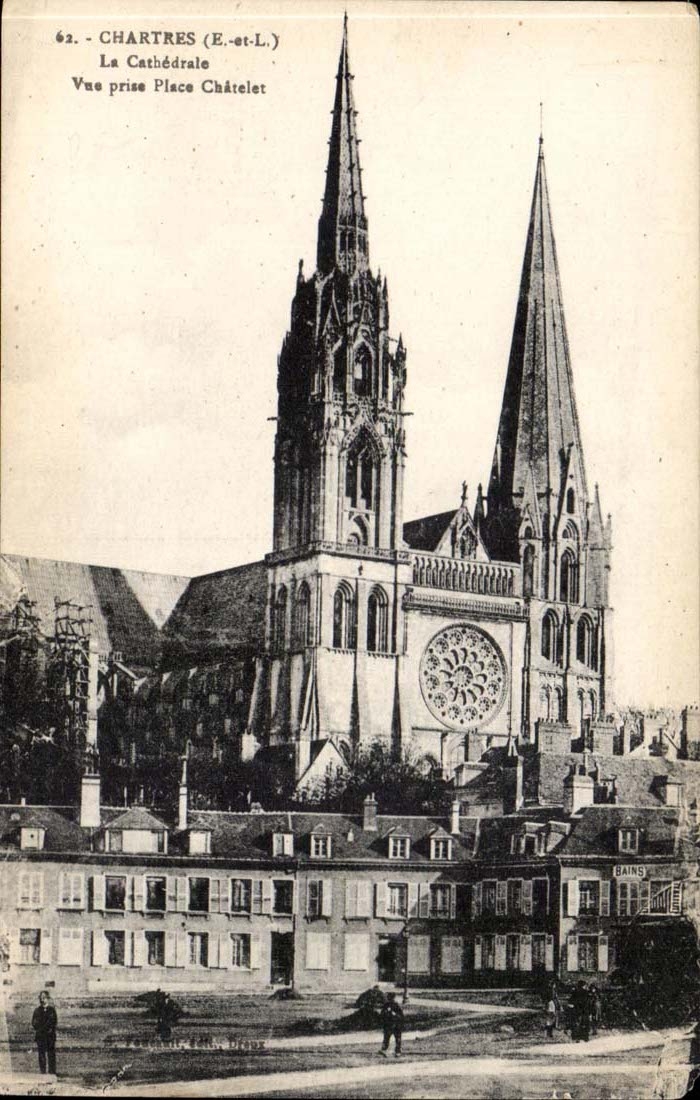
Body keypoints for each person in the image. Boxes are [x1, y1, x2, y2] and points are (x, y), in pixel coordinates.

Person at [31, 991, 57, 1075]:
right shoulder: (37, 1011)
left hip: (50, 1036)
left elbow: (53, 1022)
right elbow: (34, 1023)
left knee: (51, 1054)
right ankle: (43, 1072)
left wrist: (47, 1029)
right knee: (41, 1054)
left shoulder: (51, 1010)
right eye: (41, 998)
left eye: (44, 998)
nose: (42, 1000)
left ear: (48, 999)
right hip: (40, 1036)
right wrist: (40, 1029)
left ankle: (52, 1072)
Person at [379, 992, 404, 1057]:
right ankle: (384, 1049)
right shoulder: (386, 1005)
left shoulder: (397, 1005)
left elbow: (401, 1016)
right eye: (389, 998)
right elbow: (382, 1014)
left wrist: (394, 1014)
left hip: (396, 1025)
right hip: (388, 1024)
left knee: (397, 1038)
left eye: (391, 998)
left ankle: (398, 1051)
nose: (390, 999)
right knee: (386, 1038)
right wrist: (386, 1013)